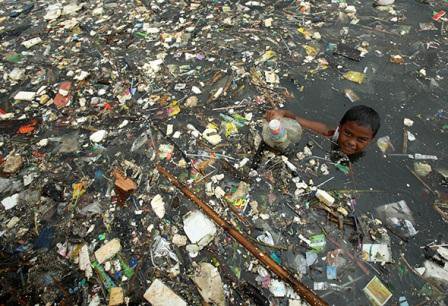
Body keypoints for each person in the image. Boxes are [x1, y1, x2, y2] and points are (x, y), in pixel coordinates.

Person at [265, 105, 380, 157]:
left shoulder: (368, 155)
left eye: (361, 139)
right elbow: (297, 120)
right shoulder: (328, 133)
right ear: (339, 128)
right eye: (348, 133)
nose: (352, 142)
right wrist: (282, 113)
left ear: (371, 140)